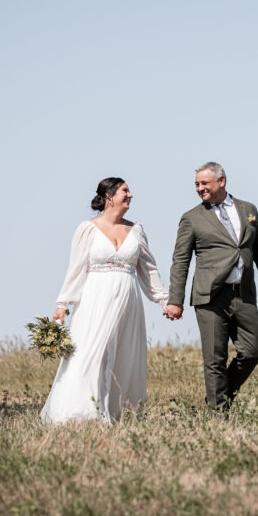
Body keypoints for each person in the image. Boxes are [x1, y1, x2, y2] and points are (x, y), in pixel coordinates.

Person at [40, 177, 169, 424]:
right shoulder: (87, 229)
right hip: (94, 299)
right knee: (91, 352)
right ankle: (80, 412)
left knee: (123, 356)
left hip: (128, 300)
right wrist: (63, 304)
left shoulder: (136, 230)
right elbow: (76, 268)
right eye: (125, 191)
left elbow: (149, 269)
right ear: (109, 196)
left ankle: (119, 412)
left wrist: (164, 300)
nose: (130, 195)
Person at [164, 162, 258, 412]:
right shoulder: (191, 218)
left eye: (204, 183)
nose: (199, 188)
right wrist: (175, 300)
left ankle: (220, 395)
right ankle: (218, 415)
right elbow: (180, 261)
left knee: (252, 352)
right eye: (196, 184)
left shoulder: (249, 210)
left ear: (221, 181)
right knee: (215, 358)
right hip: (210, 297)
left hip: (244, 294)